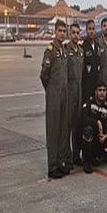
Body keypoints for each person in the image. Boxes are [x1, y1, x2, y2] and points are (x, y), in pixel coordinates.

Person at [40, 20, 69, 179]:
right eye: (60, 31)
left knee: (63, 130)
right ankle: (52, 166)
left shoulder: (64, 50)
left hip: (64, 94)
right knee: (53, 131)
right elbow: (44, 74)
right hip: (54, 94)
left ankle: (61, 162)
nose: (62, 34)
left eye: (64, 31)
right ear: (55, 32)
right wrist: (50, 90)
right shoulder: (50, 50)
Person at [65, 23, 84, 168]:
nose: (76, 35)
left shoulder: (81, 51)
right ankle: (67, 156)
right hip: (69, 93)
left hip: (79, 92)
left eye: (78, 33)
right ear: (69, 34)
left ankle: (76, 154)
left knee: (77, 125)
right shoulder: (66, 50)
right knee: (67, 126)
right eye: (73, 33)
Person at [79, 82, 107, 173]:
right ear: (95, 92)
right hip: (89, 137)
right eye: (100, 90)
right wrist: (97, 122)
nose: (102, 93)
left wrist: (106, 135)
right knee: (88, 130)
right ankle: (87, 162)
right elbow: (82, 119)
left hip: (100, 138)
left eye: (104, 90)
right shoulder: (89, 103)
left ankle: (98, 156)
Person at [81, 19, 100, 103]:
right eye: (89, 29)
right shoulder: (82, 47)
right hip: (86, 85)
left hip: (96, 85)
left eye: (93, 29)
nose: (91, 31)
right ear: (86, 30)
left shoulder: (97, 46)